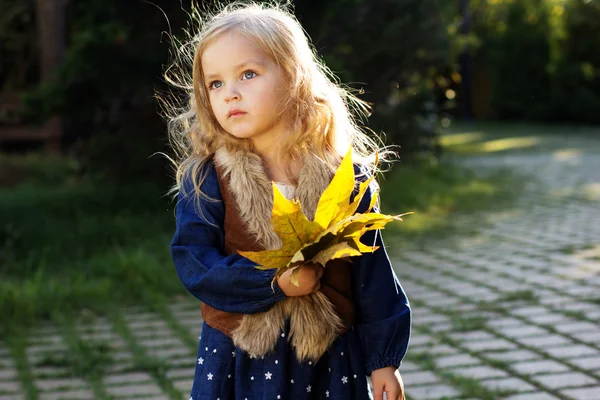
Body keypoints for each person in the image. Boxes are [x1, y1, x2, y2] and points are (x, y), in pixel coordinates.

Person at [165, 2, 411, 399]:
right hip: (240, 358)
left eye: (248, 74)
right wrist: (273, 282)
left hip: (329, 360)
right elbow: (195, 262)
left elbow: (373, 275)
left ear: (294, 76)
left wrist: (383, 360)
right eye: (215, 83)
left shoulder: (343, 177)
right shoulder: (209, 178)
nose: (231, 94)